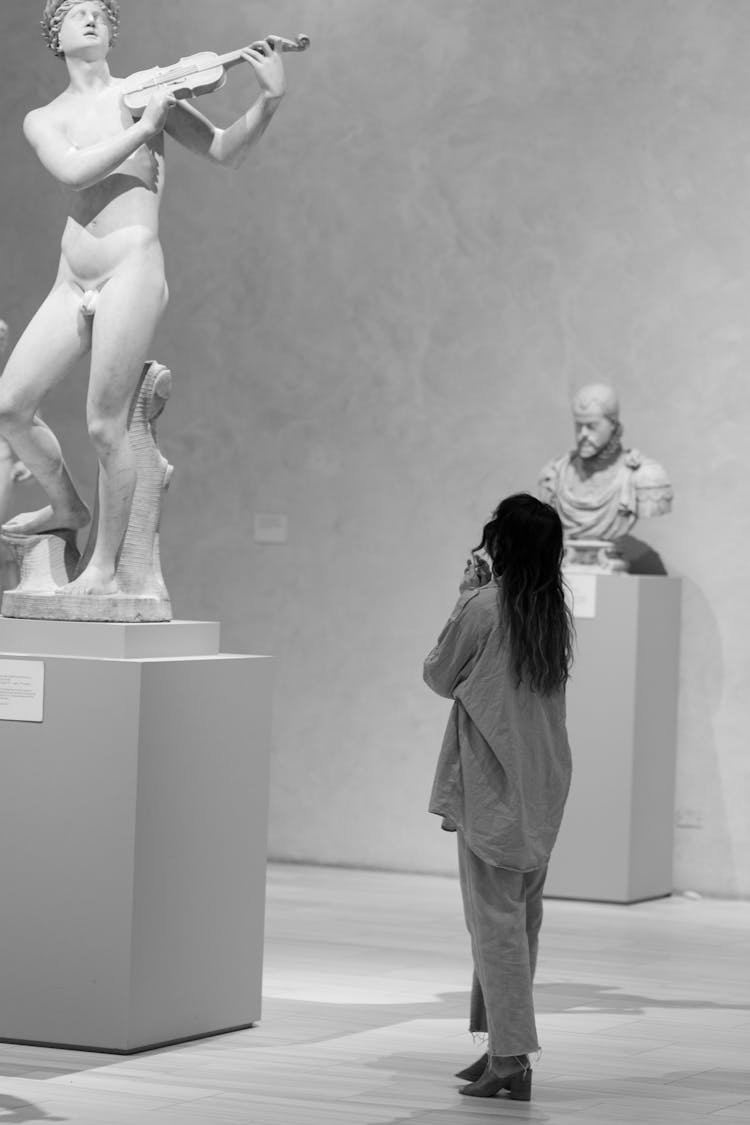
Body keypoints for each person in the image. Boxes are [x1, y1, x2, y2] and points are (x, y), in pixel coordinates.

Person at [0, 0, 288, 595]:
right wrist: (142, 125)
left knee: (106, 426)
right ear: (56, 34)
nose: (90, 20)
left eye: (100, 14)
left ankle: (105, 566)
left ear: (111, 32)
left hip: (131, 265)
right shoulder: (45, 117)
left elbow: (224, 151)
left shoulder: (146, 91)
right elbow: (73, 173)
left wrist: (267, 100)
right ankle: (68, 508)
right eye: (75, 13)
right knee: (8, 406)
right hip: (72, 275)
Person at [423, 494, 574, 1101]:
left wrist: (463, 595)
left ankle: (510, 1057)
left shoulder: (485, 606)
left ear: (502, 543)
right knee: (517, 922)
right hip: (542, 781)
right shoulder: (551, 609)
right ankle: (501, 1047)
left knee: (494, 925)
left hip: (495, 784)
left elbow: (437, 674)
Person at [538, 382, 672, 542]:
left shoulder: (644, 476)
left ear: (613, 426)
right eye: (578, 426)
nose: (583, 434)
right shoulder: (555, 474)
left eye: (591, 426)